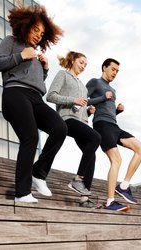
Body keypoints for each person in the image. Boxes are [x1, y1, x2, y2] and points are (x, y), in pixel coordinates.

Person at [0, 5, 67, 203]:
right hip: (15, 94)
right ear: (26, 26)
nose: (38, 36)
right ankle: (22, 193)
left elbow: (35, 80)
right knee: (30, 137)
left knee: (60, 128)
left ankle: (39, 173)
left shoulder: (36, 53)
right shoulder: (12, 42)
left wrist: (44, 69)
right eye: (35, 30)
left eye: (42, 33)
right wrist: (20, 55)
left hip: (35, 98)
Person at [86, 58, 141, 211]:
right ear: (104, 68)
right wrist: (101, 98)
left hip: (114, 126)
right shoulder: (95, 82)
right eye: (113, 69)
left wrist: (117, 111)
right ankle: (110, 201)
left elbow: (108, 110)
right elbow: (83, 100)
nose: (115, 73)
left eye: (117, 71)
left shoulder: (113, 90)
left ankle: (124, 186)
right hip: (101, 125)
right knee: (117, 160)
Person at [46, 51, 101, 208]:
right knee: (96, 138)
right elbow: (50, 96)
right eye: (81, 62)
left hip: (82, 122)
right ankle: (77, 179)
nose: (83, 66)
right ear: (73, 60)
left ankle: (84, 199)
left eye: (85, 65)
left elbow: (80, 107)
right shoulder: (62, 75)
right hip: (66, 119)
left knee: (92, 156)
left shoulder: (83, 86)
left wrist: (88, 112)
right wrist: (72, 100)